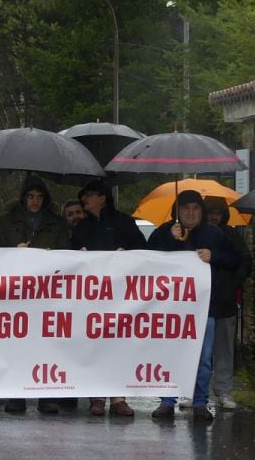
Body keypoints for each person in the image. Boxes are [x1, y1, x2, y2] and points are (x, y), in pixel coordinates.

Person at [148, 190, 236, 422]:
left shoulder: (214, 234)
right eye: (185, 208)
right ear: (177, 211)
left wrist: (214, 256)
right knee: (170, 354)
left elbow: (234, 260)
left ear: (201, 211)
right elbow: (147, 258)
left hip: (205, 307)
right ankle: (167, 401)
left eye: (195, 208)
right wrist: (169, 237)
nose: (190, 212)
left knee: (204, 358)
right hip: (171, 308)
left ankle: (200, 402)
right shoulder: (164, 231)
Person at [0, 176, 69, 414]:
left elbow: (68, 254)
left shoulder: (57, 224)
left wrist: (52, 256)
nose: (34, 201)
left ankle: (45, 395)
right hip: (15, 293)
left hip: (48, 294)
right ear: (23, 198)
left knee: (46, 343)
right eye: (30, 196)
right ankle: (16, 395)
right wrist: (13, 252)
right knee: (17, 343)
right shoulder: (5, 223)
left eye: (39, 196)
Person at [70, 179, 145, 417]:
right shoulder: (82, 227)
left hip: (121, 296)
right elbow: (68, 255)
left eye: (89, 195)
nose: (85, 200)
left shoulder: (125, 223)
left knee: (118, 344)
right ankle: (97, 397)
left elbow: (143, 251)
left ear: (103, 197)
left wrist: (127, 254)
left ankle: (118, 397)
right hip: (91, 297)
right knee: (94, 343)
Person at [204, 197, 251, 410]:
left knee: (224, 349)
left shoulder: (233, 236)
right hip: (199, 301)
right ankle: (195, 391)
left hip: (224, 301)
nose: (214, 216)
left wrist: (233, 285)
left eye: (218, 212)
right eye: (210, 211)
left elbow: (244, 262)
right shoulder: (196, 234)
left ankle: (223, 391)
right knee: (197, 350)